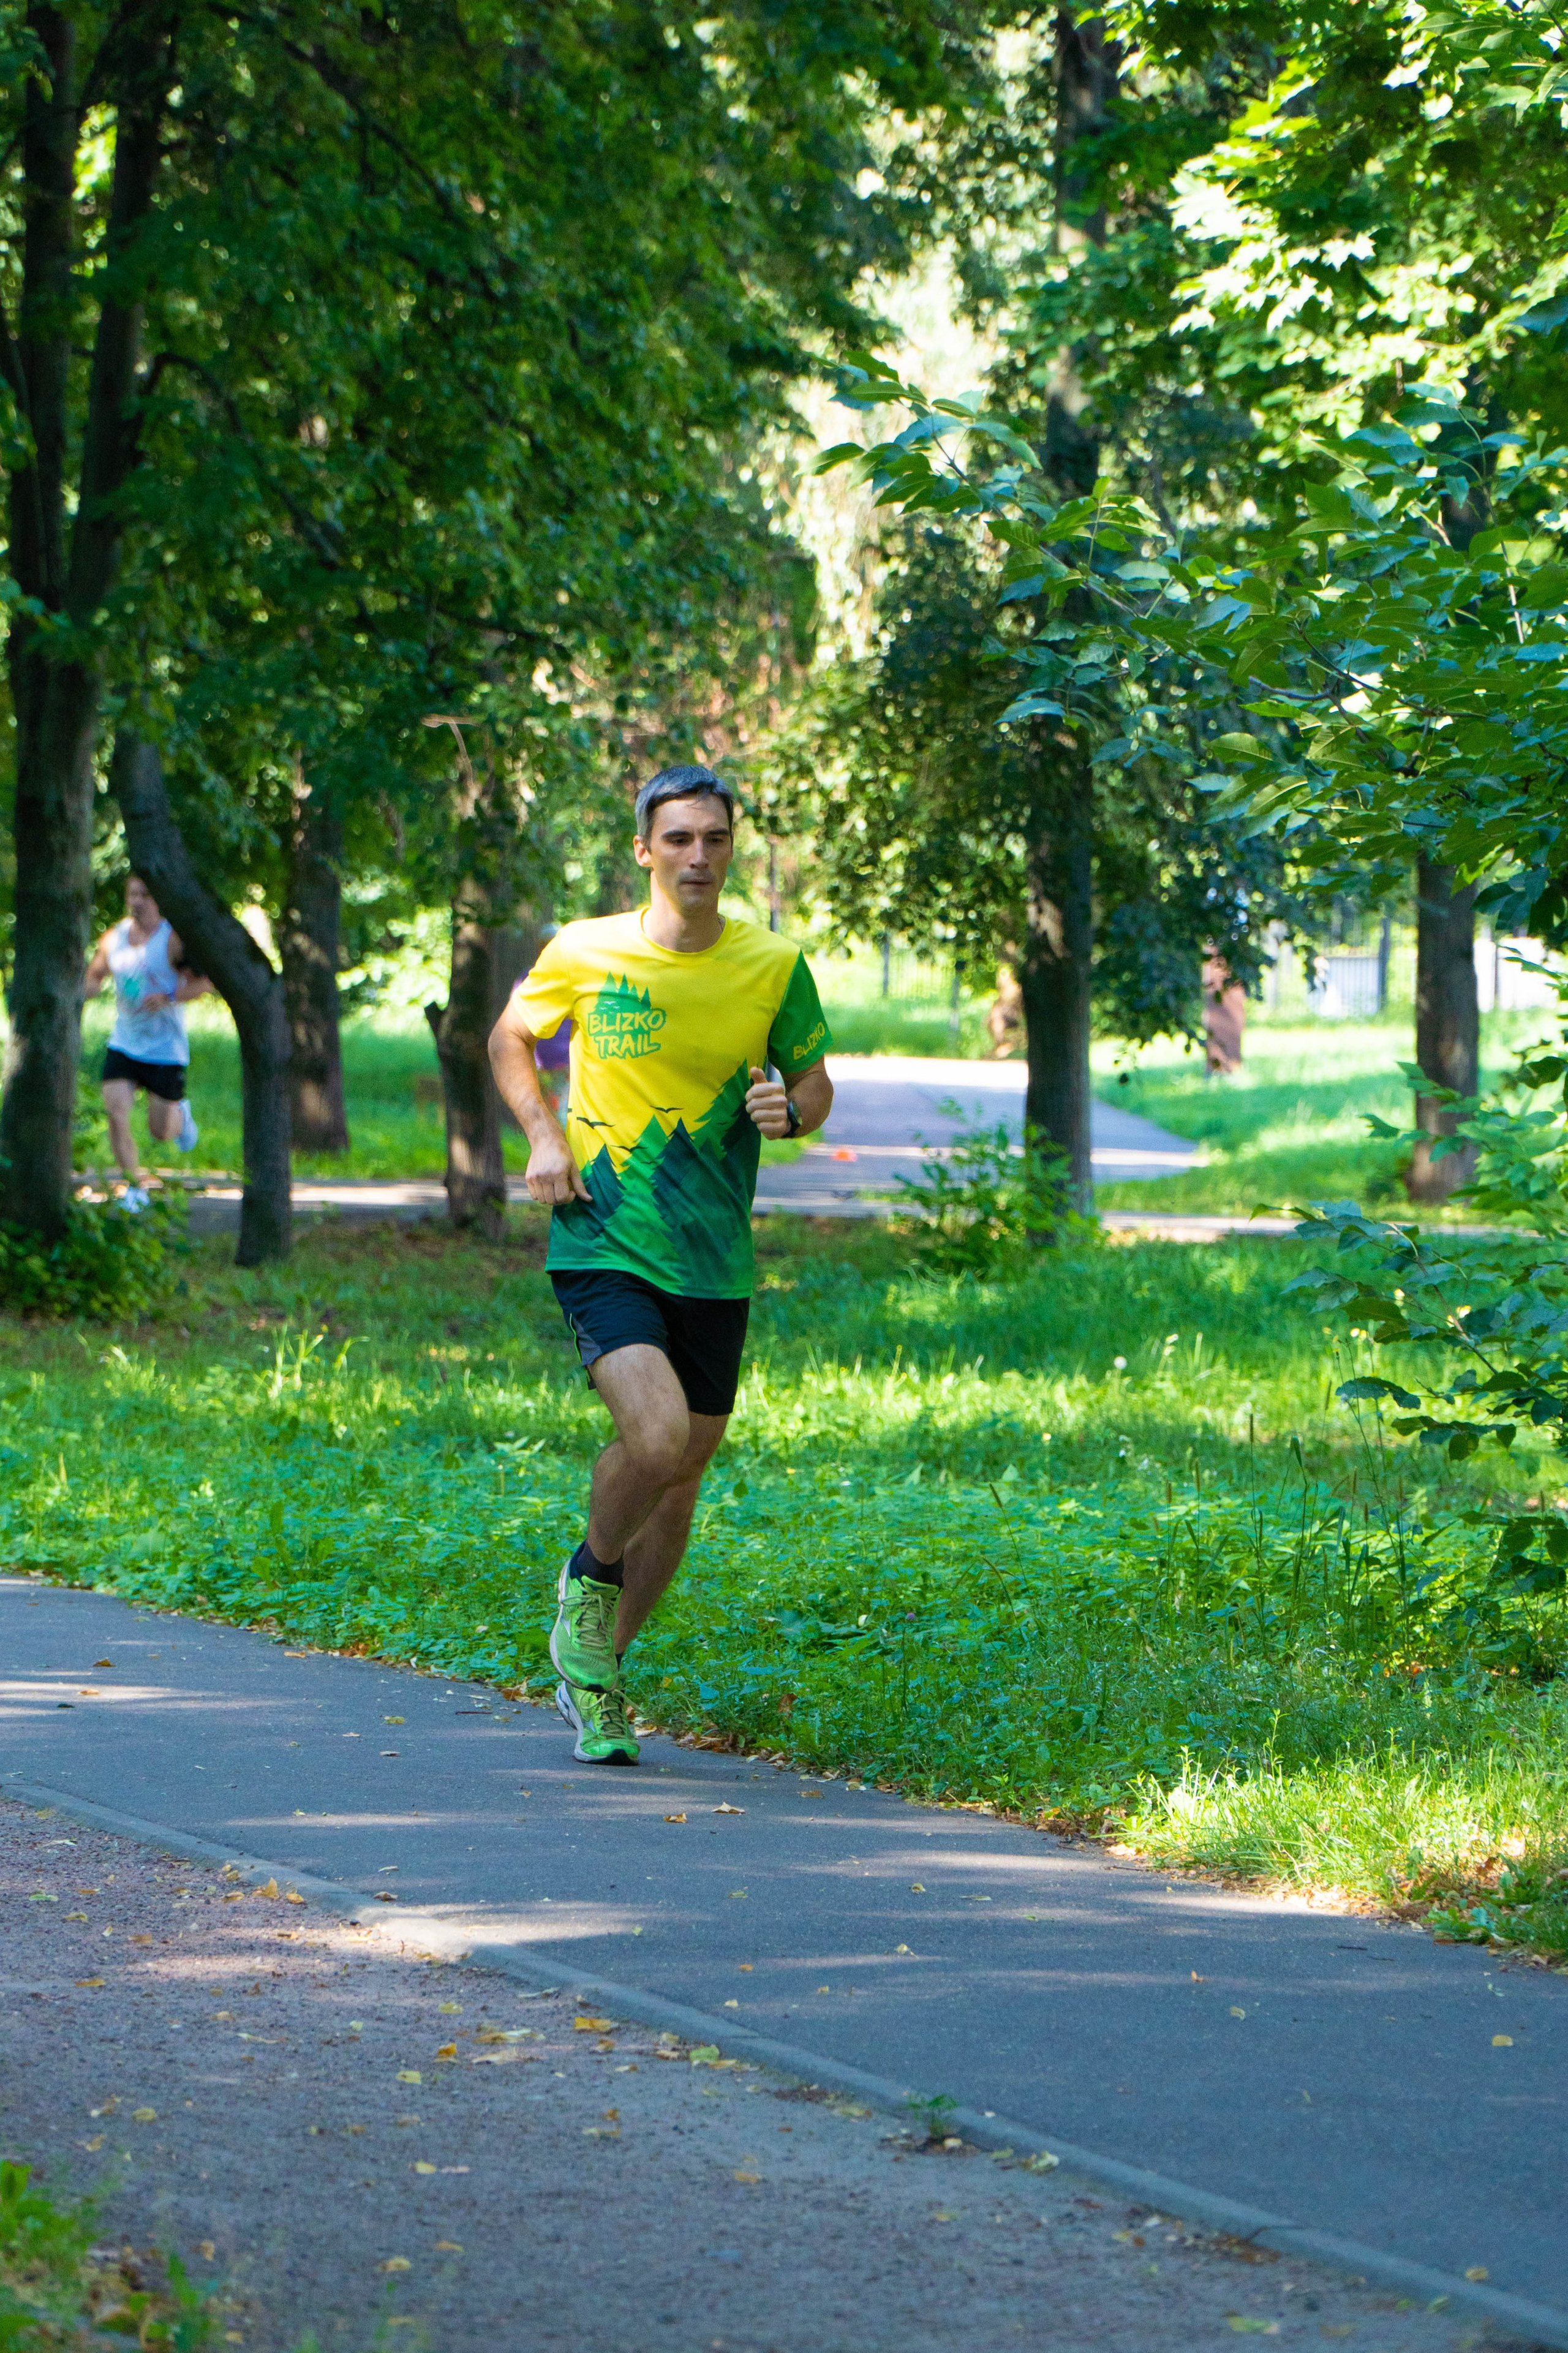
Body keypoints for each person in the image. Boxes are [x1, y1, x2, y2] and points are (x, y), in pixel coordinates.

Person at [489, 763, 834, 1766]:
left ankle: (595, 1674)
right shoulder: (587, 952)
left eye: (714, 839)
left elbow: (813, 1086)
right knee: (655, 1434)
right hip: (603, 1233)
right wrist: (543, 1137)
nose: (698, 855)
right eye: (678, 838)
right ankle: (590, 1576)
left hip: (715, 1256)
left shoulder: (773, 965)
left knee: (681, 1483)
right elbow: (512, 1037)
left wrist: (792, 1111)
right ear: (644, 850)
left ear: (732, 850)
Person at [84, 875, 213, 1206]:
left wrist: (169, 996)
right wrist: (83, 991)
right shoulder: (114, 938)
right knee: (116, 1111)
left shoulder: (173, 940)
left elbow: (203, 984)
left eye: (146, 895)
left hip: (164, 1049)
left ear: (159, 901)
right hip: (125, 1043)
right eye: (133, 895)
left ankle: (181, 1117)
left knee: (161, 1132)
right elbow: (94, 974)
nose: (138, 901)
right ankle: (134, 1187)